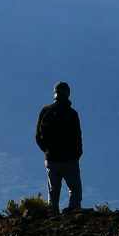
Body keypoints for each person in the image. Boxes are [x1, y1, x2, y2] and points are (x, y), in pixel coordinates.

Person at [35, 81, 83, 213]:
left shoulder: (46, 111)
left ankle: (53, 216)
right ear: (68, 94)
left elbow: (38, 137)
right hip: (69, 160)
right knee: (75, 189)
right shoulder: (72, 114)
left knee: (53, 191)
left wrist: (47, 151)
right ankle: (73, 214)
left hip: (51, 158)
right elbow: (78, 137)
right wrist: (76, 155)